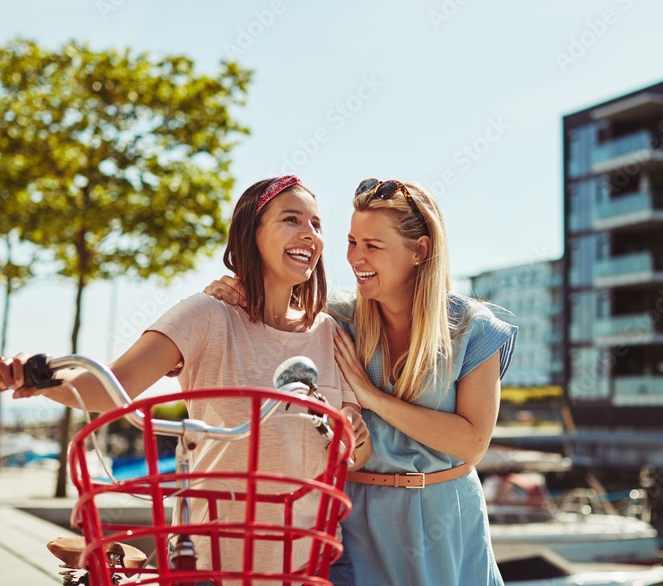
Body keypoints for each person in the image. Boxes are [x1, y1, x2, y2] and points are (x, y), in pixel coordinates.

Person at [0, 176, 371, 582]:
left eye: (317, 224)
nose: (310, 234)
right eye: (292, 219)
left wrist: (355, 436)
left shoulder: (330, 333)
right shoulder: (208, 314)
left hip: (314, 561)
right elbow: (113, 384)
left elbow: (355, 454)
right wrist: (40, 377)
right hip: (212, 559)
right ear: (249, 234)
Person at [204, 178, 517, 584]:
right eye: (352, 242)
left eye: (373, 246)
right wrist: (226, 293)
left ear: (419, 250)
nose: (356, 258)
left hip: (448, 519)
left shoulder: (474, 330)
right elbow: (265, 310)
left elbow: (471, 443)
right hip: (355, 518)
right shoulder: (335, 318)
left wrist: (372, 397)